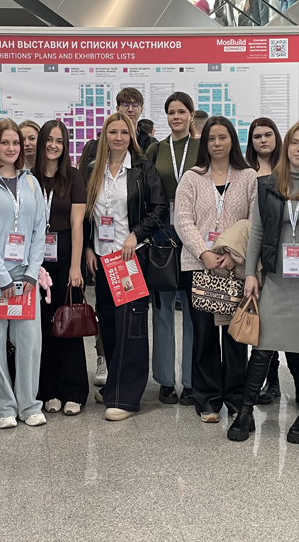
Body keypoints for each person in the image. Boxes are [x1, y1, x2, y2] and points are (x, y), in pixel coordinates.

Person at [232, 121, 299, 443]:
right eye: (295, 142)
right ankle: (245, 412)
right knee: (263, 345)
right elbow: (257, 232)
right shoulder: (267, 185)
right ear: (287, 146)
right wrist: (250, 273)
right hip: (277, 278)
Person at [83, 112, 167, 420]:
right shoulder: (93, 169)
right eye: (112, 132)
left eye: (124, 132)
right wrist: (88, 247)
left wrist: (136, 234)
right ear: (104, 136)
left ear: (131, 136)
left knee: (131, 326)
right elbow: (86, 213)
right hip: (103, 259)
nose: (118, 137)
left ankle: (126, 397)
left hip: (130, 260)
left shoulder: (143, 169)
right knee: (109, 324)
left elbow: (159, 209)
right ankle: (113, 386)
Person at [175, 116, 258, 423]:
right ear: (204, 143)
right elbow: (182, 220)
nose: (217, 143)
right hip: (199, 266)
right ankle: (207, 400)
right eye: (211, 138)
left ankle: (236, 398)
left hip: (235, 267)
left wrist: (237, 256)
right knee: (204, 335)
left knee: (235, 336)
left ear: (232, 140)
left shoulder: (248, 177)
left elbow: (255, 221)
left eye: (223, 137)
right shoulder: (192, 177)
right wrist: (204, 253)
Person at [0, 120, 48, 429]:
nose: (11, 148)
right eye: (4, 142)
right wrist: (1, 275)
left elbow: (39, 230)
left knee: (29, 342)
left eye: (15, 143)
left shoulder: (31, 182)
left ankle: (29, 405)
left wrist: (32, 272)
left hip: (26, 276)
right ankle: (3, 407)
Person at [144, 92, 199, 406]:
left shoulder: (202, 148)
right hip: (163, 236)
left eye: (181, 112)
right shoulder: (156, 149)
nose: (176, 117)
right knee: (163, 311)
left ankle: (191, 381)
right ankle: (166, 381)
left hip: (194, 238)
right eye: (171, 112)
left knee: (193, 312)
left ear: (191, 115)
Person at [32, 120, 89, 416]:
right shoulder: (30, 177)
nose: (53, 145)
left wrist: (75, 267)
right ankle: (49, 390)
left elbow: (78, 224)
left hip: (66, 255)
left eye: (59, 141)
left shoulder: (74, 177)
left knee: (68, 322)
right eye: (49, 140)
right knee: (42, 325)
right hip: (36, 257)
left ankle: (74, 390)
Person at [245, 117, 289, 402]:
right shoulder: (245, 172)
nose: (263, 140)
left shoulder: (290, 168)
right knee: (262, 324)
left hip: (286, 256)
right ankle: (270, 382)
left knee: (290, 322)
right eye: (257, 136)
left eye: (268, 134)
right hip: (255, 254)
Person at [80, 87, 154, 175]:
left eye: (135, 104)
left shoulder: (151, 144)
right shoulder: (98, 145)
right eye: (125, 104)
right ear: (117, 108)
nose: (130, 109)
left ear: (141, 109)